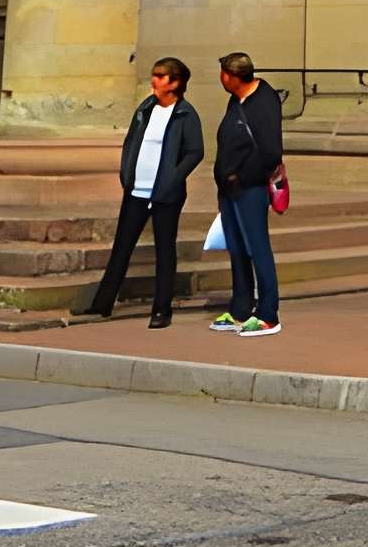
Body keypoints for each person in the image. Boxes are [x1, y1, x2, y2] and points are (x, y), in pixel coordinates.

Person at [85, 56, 203, 325]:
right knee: (122, 248)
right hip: (136, 191)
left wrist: (173, 178)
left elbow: (195, 152)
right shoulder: (146, 108)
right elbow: (131, 142)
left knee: (165, 251)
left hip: (165, 195)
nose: (154, 80)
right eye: (155, 74)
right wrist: (127, 172)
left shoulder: (186, 114)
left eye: (161, 76)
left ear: (175, 83)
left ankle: (162, 310)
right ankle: (102, 303)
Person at [208, 50, 286, 335]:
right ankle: (241, 308)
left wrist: (239, 177)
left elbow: (270, 152)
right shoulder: (235, 99)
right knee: (237, 248)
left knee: (257, 248)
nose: (220, 79)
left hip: (249, 188)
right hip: (230, 189)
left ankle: (268, 314)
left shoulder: (264, 102)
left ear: (231, 77)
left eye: (222, 74)